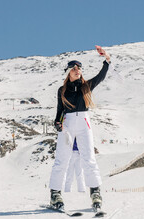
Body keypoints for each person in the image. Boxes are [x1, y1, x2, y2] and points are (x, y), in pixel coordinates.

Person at [49, 46, 111, 209]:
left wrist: (106, 60)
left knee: (89, 158)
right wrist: (57, 123)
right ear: (68, 72)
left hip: (84, 123)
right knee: (61, 159)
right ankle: (55, 194)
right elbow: (59, 111)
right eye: (74, 68)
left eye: (79, 68)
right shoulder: (62, 90)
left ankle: (95, 192)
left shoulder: (86, 86)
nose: (77, 70)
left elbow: (101, 76)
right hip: (68, 124)